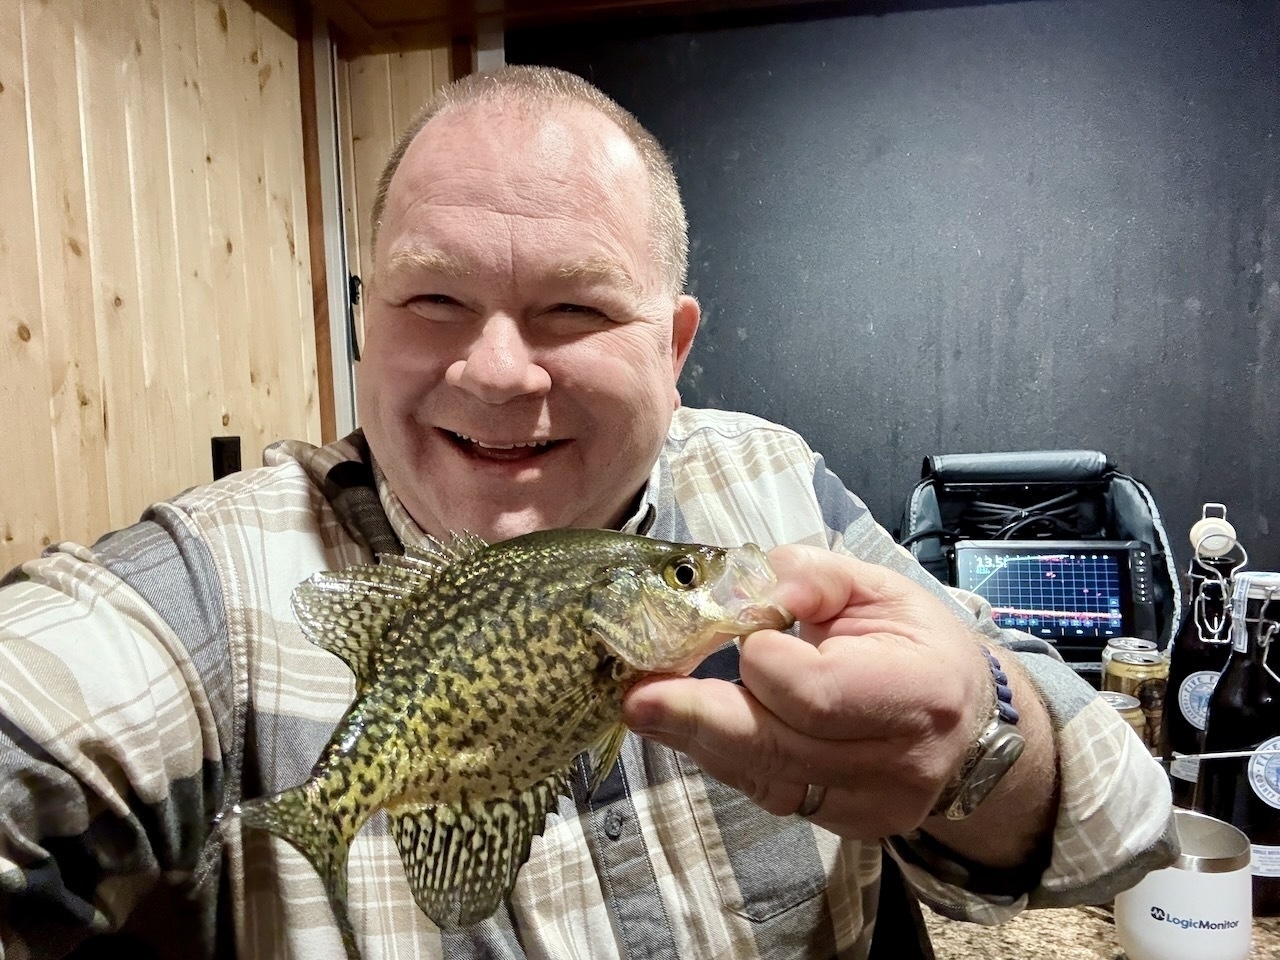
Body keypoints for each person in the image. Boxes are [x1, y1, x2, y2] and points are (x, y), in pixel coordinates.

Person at [0, 65, 1174, 959]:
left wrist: (975, 723)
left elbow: (1121, 830)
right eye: (433, 297)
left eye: (570, 308)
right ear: (367, 321)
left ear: (672, 347)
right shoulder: (214, 588)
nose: (497, 373)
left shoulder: (769, 493)